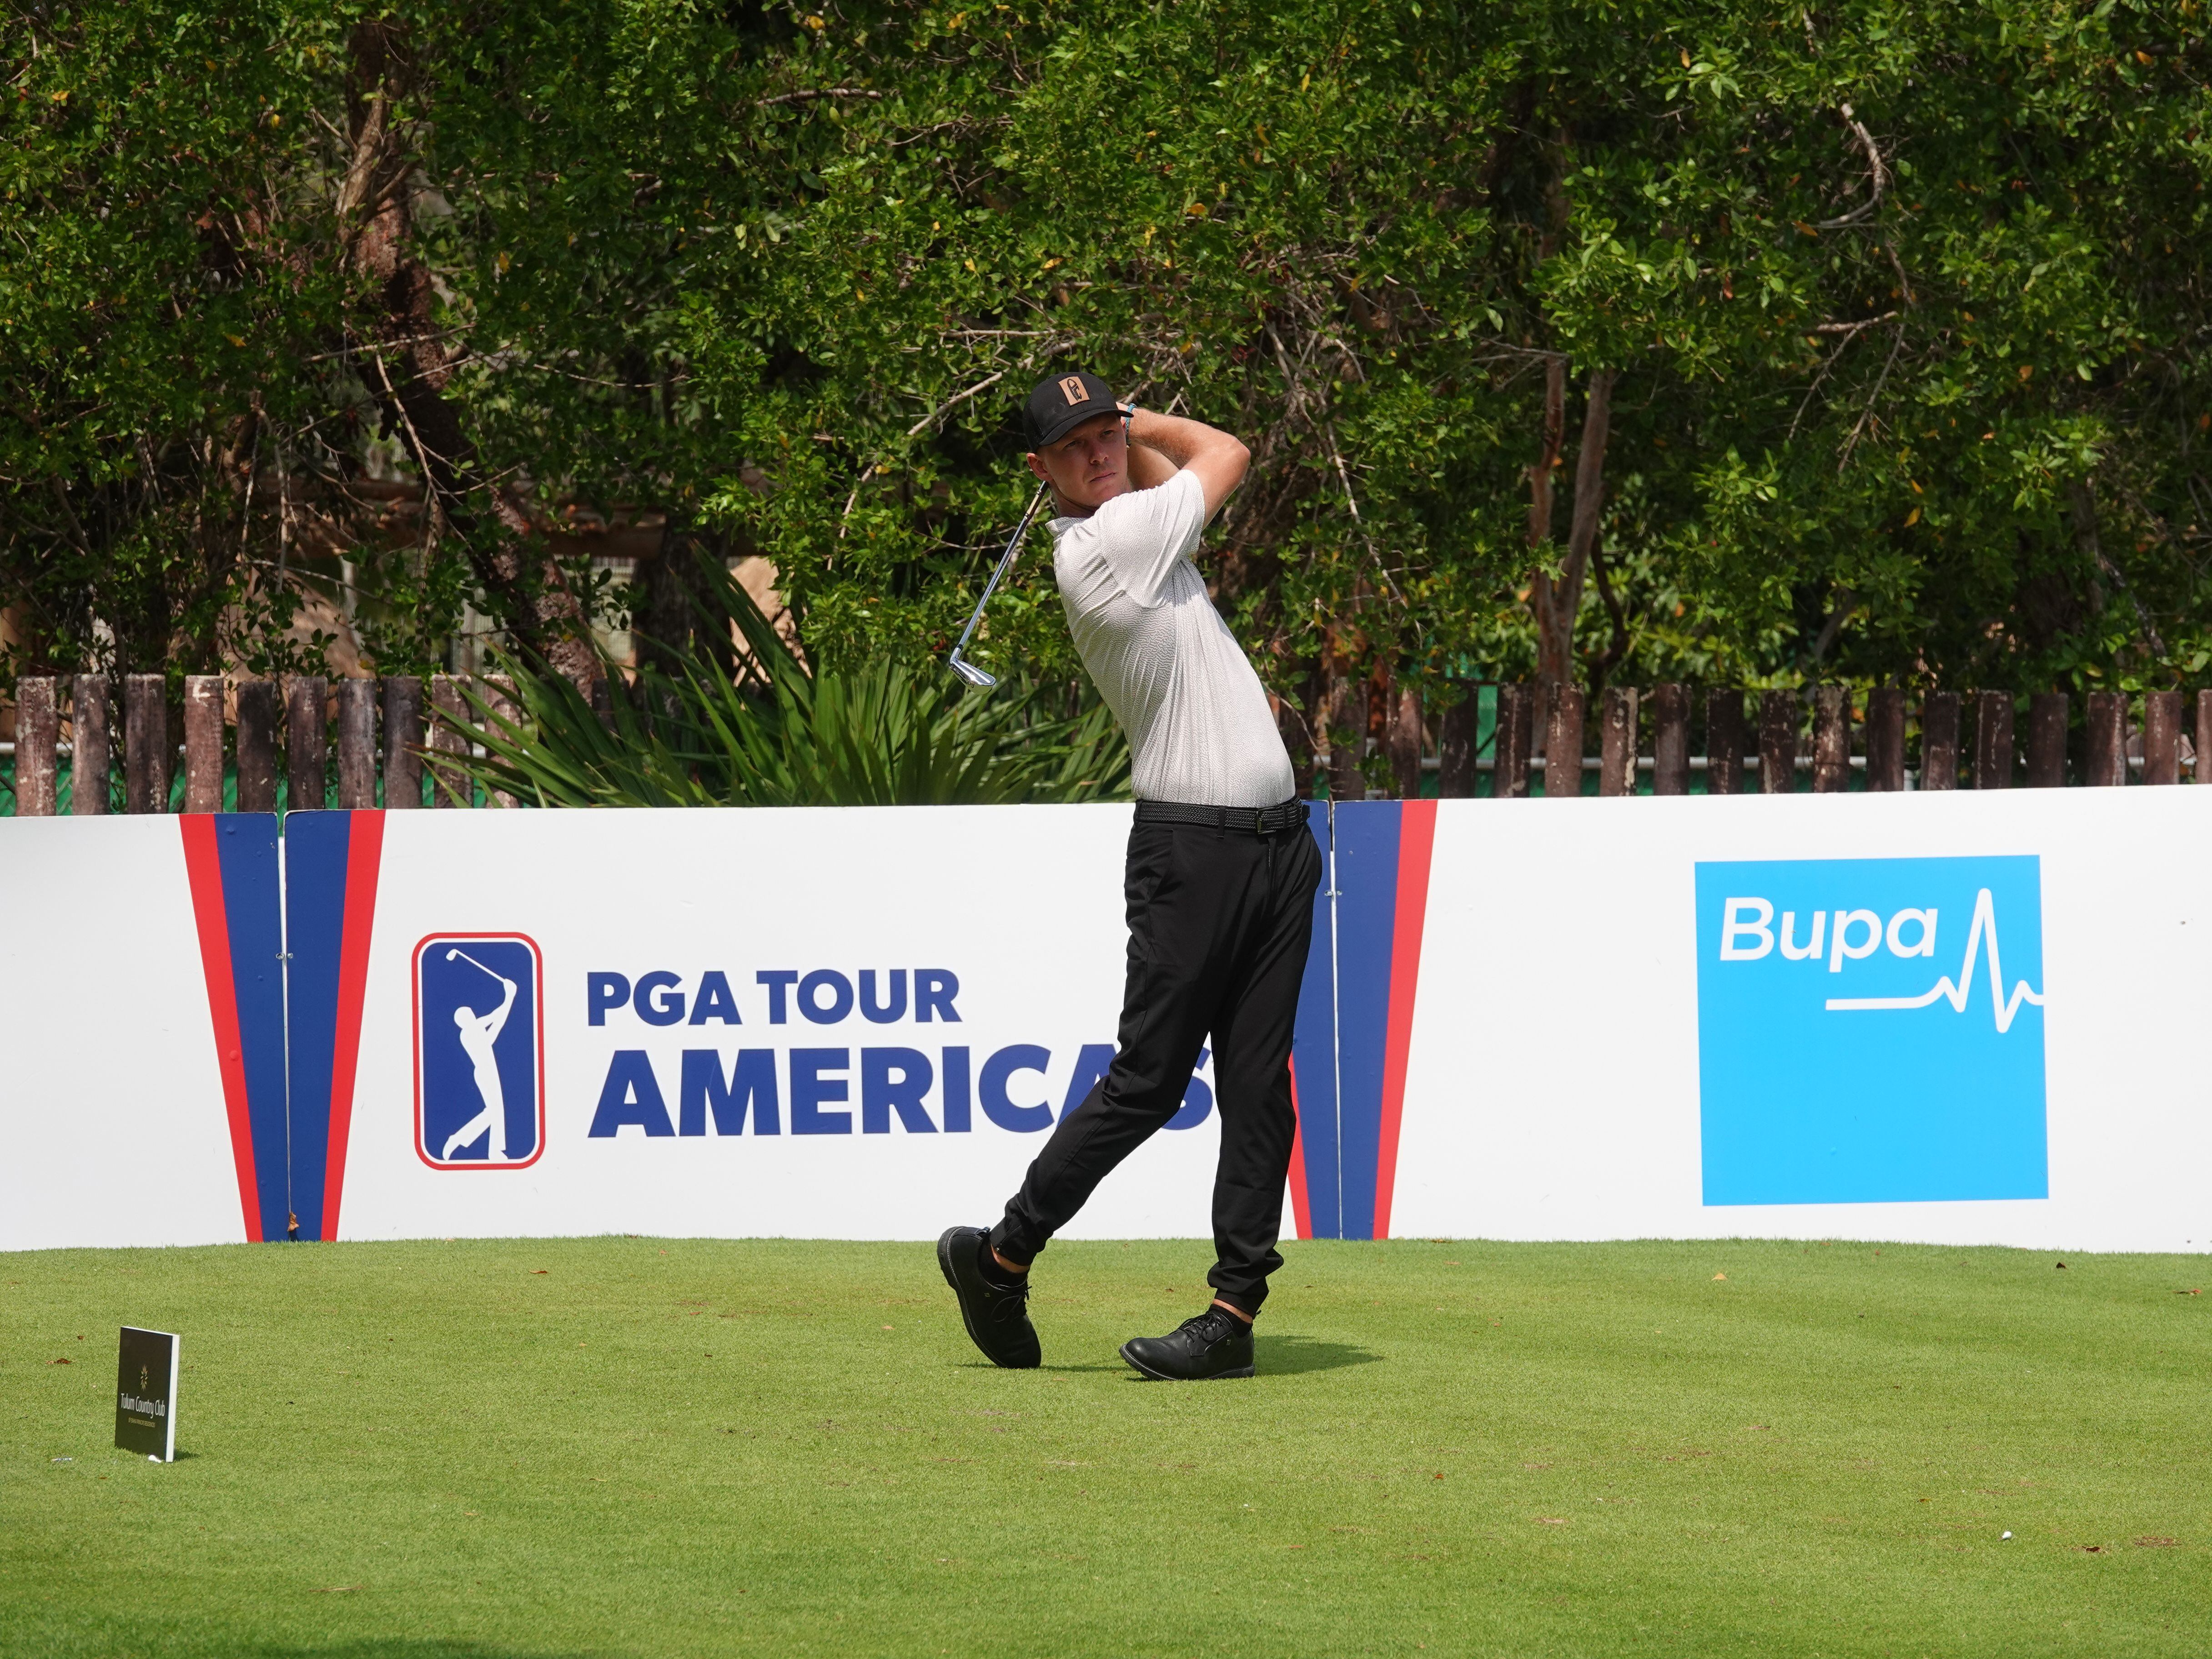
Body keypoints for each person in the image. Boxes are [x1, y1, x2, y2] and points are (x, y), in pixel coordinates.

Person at [938, 369, 1321, 1382]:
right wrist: (1140, 417)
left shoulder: (1134, 519)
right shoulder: (1105, 548)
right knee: (1147, 1084)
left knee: (1256, 1089)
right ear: (1041, 472)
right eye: (1075, 447)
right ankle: (1000, 1254)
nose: (1102, 454)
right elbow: (1226, 450)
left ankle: (1231, 1315)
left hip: (1280, 846)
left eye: (1105, 436)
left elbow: (1160, 474)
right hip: (1190, 853)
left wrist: (1115, 429)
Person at [441, 964, 517, 1161]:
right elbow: (496, 1027)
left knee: (497, 1110)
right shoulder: (469, 1033)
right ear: (464, 1020)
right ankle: (458, 1138)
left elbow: (494, 1017)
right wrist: (510, 997)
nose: (473, 1014)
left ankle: (494, 1152)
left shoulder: (474, 1028)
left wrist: (509, 996)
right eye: (469, 1014)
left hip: (489, 1071)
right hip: (485, 1072)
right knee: (493, 1111)